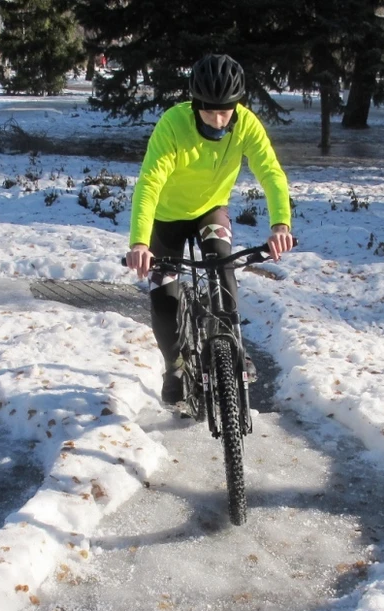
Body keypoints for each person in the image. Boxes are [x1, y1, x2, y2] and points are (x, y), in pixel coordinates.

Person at [124, 53, 294, 405]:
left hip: (211, 211)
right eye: (210, 110)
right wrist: (140, 242)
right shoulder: (172, 125)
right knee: (165, 295)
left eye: (226, 110)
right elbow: (149, 184)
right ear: (196, 104)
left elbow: (271, 173)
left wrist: (280, 224)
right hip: (167, 217)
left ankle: (233, 345)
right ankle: (175, 365)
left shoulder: (245, 124)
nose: (219, 120)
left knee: (222, 262)